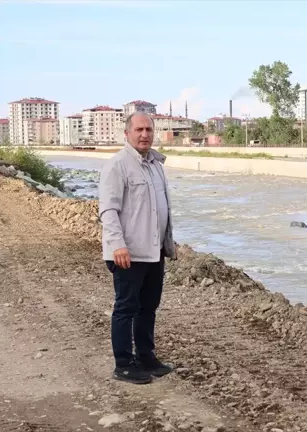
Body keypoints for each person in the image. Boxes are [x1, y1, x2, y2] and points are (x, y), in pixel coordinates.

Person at [98, 112, 177, 385]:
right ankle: (123, 363)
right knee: (126, 308)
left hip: (153, 252)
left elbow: (159, 207)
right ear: (127, 134)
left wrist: (167, 242)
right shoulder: (118, 166)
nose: (144, 134)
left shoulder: (155, 164)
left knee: (148, 307)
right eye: (139, 130)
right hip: (128, 253)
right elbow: (108, 210)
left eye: (148, 130)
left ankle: (146, 356)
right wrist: (117, 245)